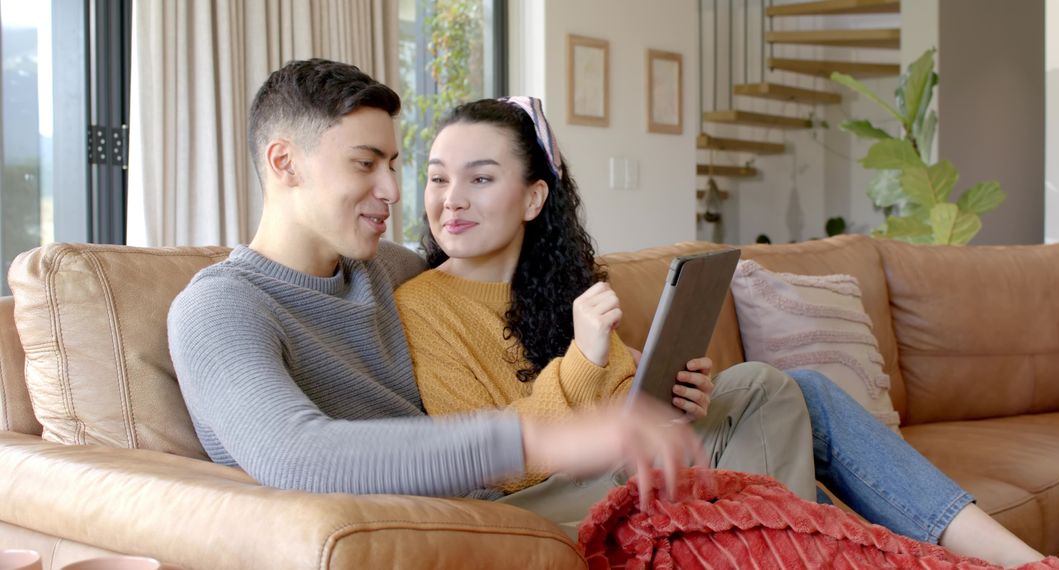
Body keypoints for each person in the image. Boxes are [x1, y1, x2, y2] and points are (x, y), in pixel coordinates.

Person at [393, 96, 1046, 567]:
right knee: (778, 392)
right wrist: (584, 359)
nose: (452, 199)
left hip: (613, 463)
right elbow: (486, 458)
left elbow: (622, 402)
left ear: (534, 198)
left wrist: (677, 393)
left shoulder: (561, 289)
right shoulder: (422, 303)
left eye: (480, 178)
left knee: (777, 392)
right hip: (539, 497)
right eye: (438, 177)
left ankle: (1007, 562)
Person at [167, 58, 702, 510]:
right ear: (285, 163)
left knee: (744, 394)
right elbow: (296, 456)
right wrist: (538, 438)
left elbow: (494, 309)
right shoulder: (219, 307)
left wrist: (640, 373)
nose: (393, 190)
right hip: (444, 525)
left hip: (502, 504)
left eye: (394, 166)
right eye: (365, 164)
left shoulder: (387, 268)